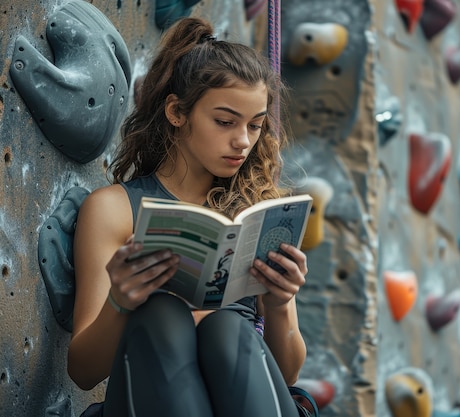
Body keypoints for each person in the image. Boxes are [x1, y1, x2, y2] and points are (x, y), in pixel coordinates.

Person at [68, 17, 308, 417]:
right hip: (152, 393)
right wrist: (120, 302)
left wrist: (281, 302)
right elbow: (82, 371)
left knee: (227, 328)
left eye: (256, 125)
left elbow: (286, 374)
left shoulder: (259, 211)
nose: (243, 142)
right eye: (225, 122)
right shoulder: (114, 208)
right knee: (163, 315)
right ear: (177, 112)